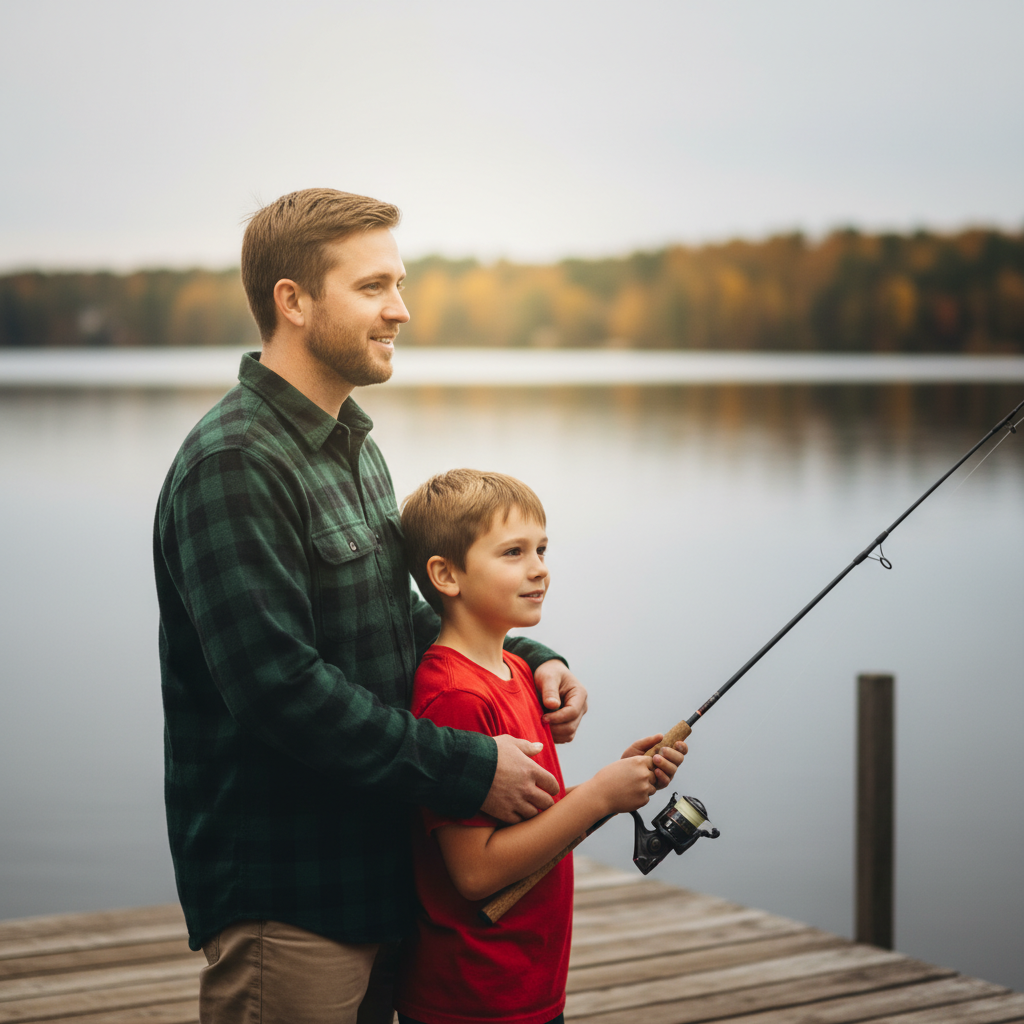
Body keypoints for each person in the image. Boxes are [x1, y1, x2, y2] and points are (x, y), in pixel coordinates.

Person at [152, 188, 590, 1024]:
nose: (402, 309)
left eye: (400, 283)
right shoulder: (235, 463)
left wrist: (533, 661)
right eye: (374, 287)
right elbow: (280, 689)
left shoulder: (353, 446)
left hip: (383, 879)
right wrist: (470, 771)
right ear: (294, 301)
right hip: (290, 899)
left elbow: (402, 615)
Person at [395, 469, 688, 1024]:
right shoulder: (453, 696)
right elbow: (475, 872)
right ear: (445, 575)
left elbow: (528, 821)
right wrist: (597, 798)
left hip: (528, 984)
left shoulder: (516, 671)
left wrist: (616, 784)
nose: (540, 569)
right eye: (513, 552)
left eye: (542, 549)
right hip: (471, 995)